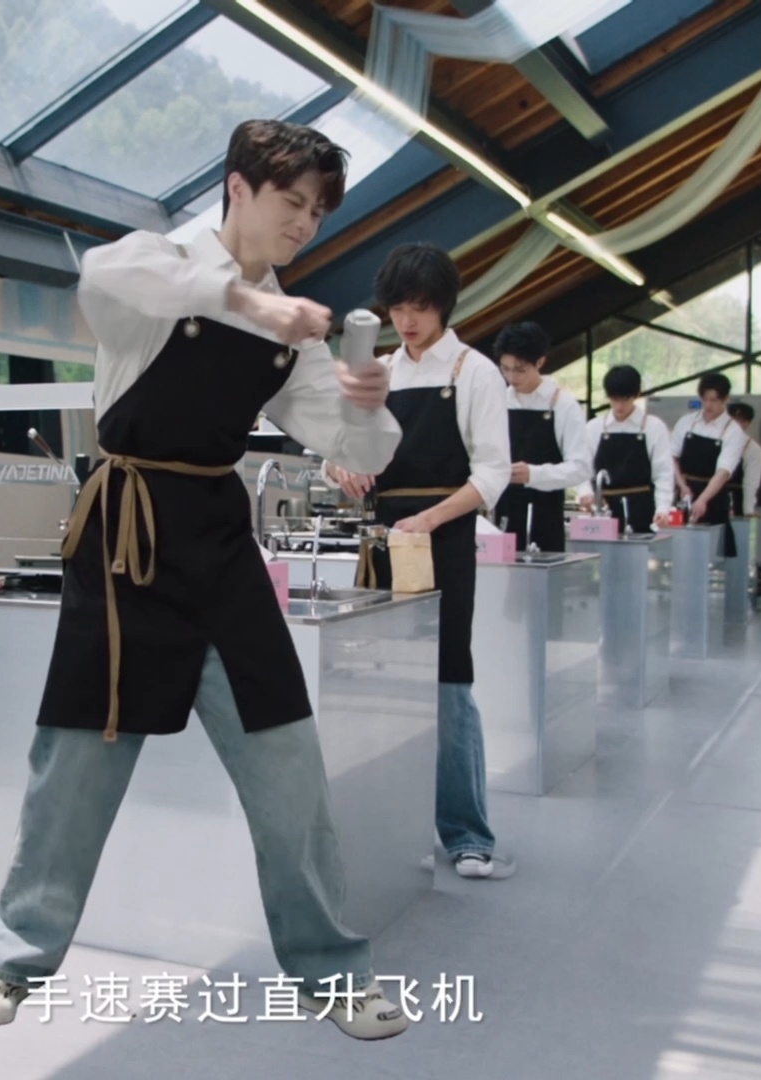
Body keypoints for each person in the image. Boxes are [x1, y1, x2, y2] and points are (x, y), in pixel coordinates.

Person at [0, 120, 409, 1041]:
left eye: (318, 212)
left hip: (221, 545)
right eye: (291, 202)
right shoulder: (160, 266)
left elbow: (353, 450)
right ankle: (10, 959)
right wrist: (244, 300)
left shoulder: (294, 333)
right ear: (238, 187)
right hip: (125, 539)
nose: (304, 224)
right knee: (75, 764)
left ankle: (331, 970)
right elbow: (103, 277)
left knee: (288, 764)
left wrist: (368, 408)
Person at [327, 243, 515, 881]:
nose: (406, 320)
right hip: (383, 540)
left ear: (444, 306)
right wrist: (342, 468)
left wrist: (431, 520)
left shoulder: (473, 372)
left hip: (444, 540)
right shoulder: (377, 372)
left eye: (419, 307)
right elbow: (335, 450)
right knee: (380, 681)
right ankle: (392, 820)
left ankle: (467, 834)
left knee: (448, 683)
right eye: (397, 308)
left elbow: (491, 474)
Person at [491, 320, 590, 552]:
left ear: (540, 362)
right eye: (505, 368)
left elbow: (581, 467)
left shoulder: (563, 405)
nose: (512, 377)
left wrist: (533, 474)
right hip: (502, 510)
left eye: (520, 369)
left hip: (545, 513)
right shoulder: (498, 401)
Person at [576, 365, 673, 534]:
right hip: (603, 510)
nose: (619, 406)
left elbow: (663, 473)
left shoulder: (653, 427)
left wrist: (663, 508)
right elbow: (582, 467)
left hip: (643, 510)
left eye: (625, 399)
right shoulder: (594, 427)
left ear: (636, 395)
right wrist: (585, 492)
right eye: (614, 399)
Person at [670, 372, 749, 556]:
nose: (708, 405)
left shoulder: (733, 432)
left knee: (711, 553)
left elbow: (723, 472)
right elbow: (672, 456)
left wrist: (703, 499)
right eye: (705, 399)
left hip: (714, 497)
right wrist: (681, 485)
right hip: (684, 494)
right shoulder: (687, 422)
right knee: (679, 551)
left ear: (726, 399)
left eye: (714, 400)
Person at [727, 401, 761, 518]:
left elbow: (751, 483)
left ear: (747, 423)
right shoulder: (713, 441)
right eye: (730, 420)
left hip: (737, 502)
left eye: (739, 420)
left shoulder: (753, 449)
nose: (733, 424)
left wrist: (748, 510)